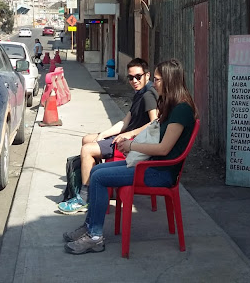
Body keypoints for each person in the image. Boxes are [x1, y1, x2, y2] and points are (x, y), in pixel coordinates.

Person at [62, 58, 197, 255]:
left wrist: (132, 145)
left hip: (158, 173)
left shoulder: (182, 110)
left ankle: (95, 237)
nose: (154, 83)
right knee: (97, 170)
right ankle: (91, 226)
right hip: (150, 166)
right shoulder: (173, 105)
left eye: (157, 79)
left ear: (168, 81)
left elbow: (163, 149)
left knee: (98, 177)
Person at [57, 57, 158, 214]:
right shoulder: (139, 93)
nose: (134, 81)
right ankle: (94, 185)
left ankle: (85, 198)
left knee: (87, 150)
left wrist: (129, 134)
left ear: (147, 75)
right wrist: (103, 134)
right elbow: (125, 121)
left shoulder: (149, 95)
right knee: (87, 139)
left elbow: (154, 123)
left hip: (132, 142)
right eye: (131, 77)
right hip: (126, 136)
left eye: (138, 76)